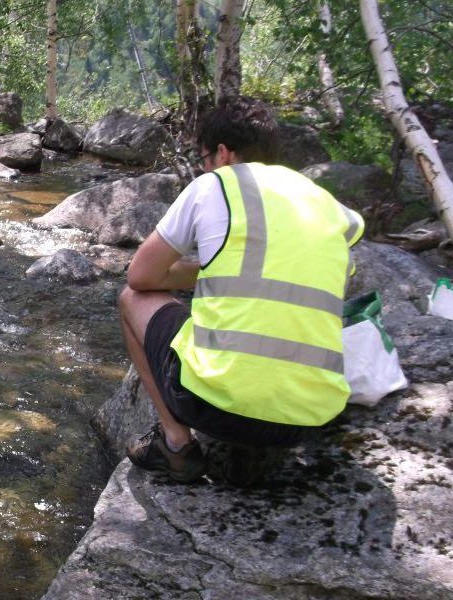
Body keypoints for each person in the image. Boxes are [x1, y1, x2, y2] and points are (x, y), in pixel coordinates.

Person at [119, 96, 364, 486]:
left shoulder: (214, 185)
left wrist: (201, 272)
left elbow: (140, 277)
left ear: (222, 153)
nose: (203, 166)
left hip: (212, 407)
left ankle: (176, 444)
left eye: (203, 158)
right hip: (308, 420)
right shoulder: (325, 203)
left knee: (130, 300)